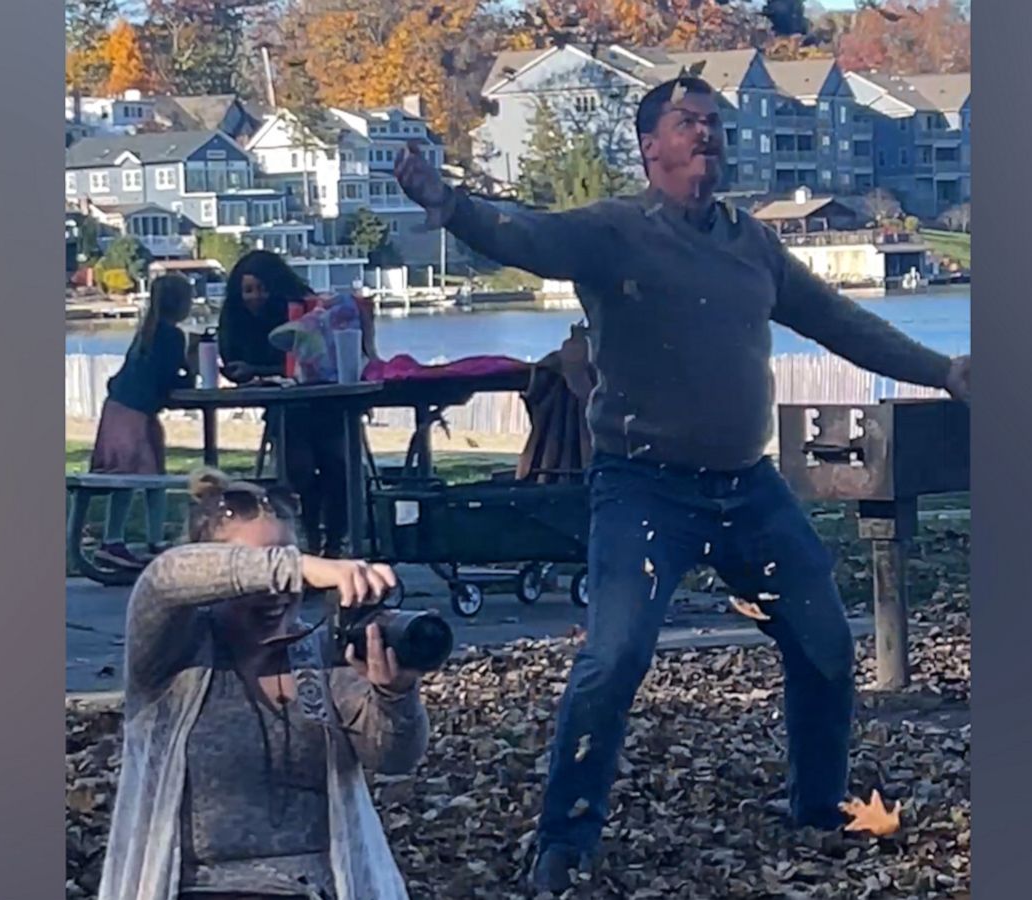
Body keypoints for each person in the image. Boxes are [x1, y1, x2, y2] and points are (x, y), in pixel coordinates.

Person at [394, 76, 971, 893]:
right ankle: (564, 841)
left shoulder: (752, 245)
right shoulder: (615, 232)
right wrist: (448, 205)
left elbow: (841, 323)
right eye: (688, 123)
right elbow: (526, 237)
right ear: (649, 145)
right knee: (614, 655)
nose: (707, 136)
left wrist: (944, 369)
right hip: (644, 487)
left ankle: (815, 805)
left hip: (748, 486)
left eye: (715, 124)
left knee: (827, 645)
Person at [97, 468, 427, 900]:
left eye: (285, 561)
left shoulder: (319, 655)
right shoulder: (174, 652)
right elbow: (163, 578)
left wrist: (395, 694)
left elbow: (394, 757)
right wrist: (301, 566)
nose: (276, 589)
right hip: (198, 889)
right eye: (260, 569)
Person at [216, 252, 373, 557]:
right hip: (285, 409)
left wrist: (259, 371)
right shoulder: (235, 320)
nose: (255, 297)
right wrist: (242, 373)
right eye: (248, 290)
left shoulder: (306, 311)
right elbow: (239, 361)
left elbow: (309, 361)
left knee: (336, 466)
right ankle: (310, 536)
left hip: (325, 402)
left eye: (262, 289)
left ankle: (335, 542)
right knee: (298, 470)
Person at [89, 274, 196, 569]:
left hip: (119, 408)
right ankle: (124, 541)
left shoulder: (146, 332)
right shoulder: (173, 336)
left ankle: (132, 539)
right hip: (136, 413)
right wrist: (193, 363)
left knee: (143, 476)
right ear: (182, 305)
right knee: (143, 477)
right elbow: (172, 382)